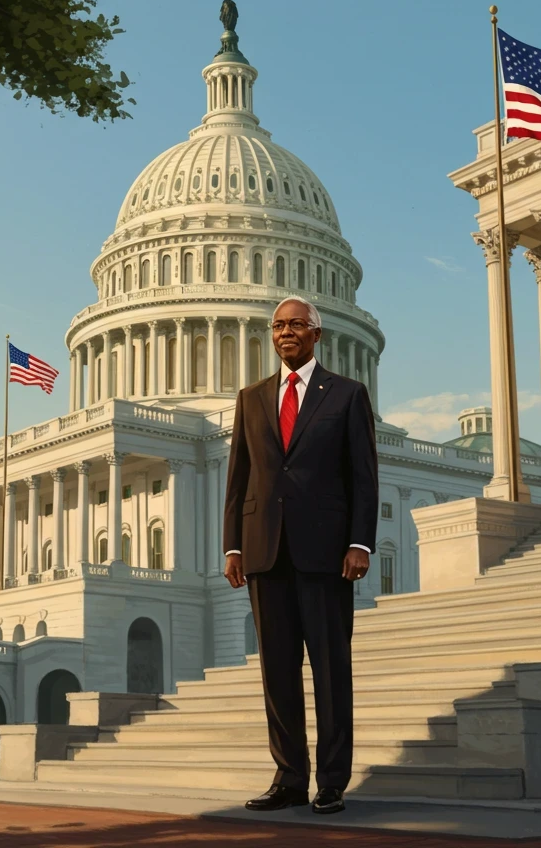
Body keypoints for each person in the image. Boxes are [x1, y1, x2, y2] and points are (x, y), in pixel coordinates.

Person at [223, 295, 379, 815]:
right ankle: (289, 778)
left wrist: (360, 542)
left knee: (331, 671)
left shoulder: (348, 394)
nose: (286, 332)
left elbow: (363, 476)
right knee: (278, 672)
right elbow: (239, 479)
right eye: (278, 326)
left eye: (296, 325)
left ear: (317, 334)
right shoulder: (250, 398)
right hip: (267, 554)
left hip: (327, 554)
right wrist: (233, 545)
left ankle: (331, 781)